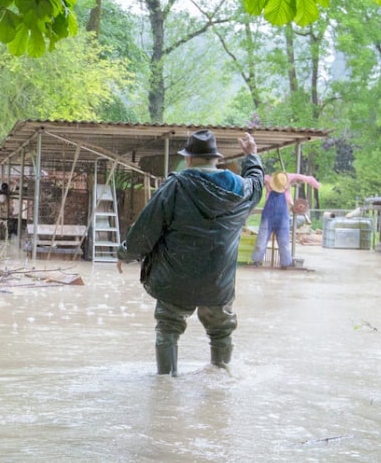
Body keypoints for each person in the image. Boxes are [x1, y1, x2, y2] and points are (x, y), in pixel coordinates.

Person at [117, 129, 264, 375]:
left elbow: (146, 227)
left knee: (168, 328)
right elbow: (257, 184)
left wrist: (125, 253)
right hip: (218, 280)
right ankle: (221, 377)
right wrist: (252, 155)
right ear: (216, 158)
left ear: (188, 158)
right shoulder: (240, 189)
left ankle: (166, 384)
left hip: (176, 278)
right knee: (221, 330)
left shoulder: (176, 186)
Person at [251, 171, 321, 268]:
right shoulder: (267, 179)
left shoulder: (290, 177)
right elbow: (252, 181)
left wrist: (316, 185)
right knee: (262, 239)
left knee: (284, 240)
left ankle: (286, 263)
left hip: (282, 215)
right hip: (268, 215)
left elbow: (307, 178)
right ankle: (257, 261)